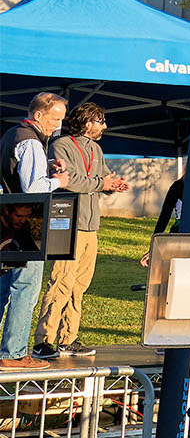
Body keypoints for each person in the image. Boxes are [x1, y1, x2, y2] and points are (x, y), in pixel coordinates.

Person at [32, 102, 129, 359]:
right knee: (60, 282)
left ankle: (68, 338)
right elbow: (69, 181)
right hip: (67, 224)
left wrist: (114, 184)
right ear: (87, 122)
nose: (104, 126)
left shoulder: (96, 149)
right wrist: (101, 183)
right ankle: (43, 341)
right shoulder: (61, 145)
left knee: (79, 286)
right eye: (101, 121)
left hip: (90, 227)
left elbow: (102, 179)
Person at [1, 92, 70, 371]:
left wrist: (45, 166)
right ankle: (14, 354)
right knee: (25, 289)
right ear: (38, 115)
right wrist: (58, 181)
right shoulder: (30, 141)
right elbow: (33, 188)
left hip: (6, 221)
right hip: (27, 224)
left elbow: (15, 170)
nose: (58, 125)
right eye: (55, 119)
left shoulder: (12, 134)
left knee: (3, 288)